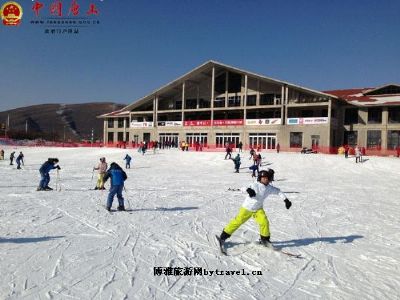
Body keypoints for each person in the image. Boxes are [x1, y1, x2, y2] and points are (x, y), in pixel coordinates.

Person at [217, 169, 292, 249]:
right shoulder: (255, 185)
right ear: (260, 178)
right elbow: (244, 188)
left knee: (264, 222)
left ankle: (265, 240)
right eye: (263, 178)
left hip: (258, 209)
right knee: (237, 222)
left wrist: (286, 200)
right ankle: (223, 237)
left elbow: (278, 191)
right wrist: (248, 190)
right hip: (247, 208)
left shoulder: (269, 188)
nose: (265, 180)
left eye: (267, 178)